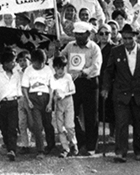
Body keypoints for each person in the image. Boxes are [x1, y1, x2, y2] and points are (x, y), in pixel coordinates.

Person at [101, 24, 140, 163]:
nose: (127, 41)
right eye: (124, 38)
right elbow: (109, 71)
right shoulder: (116, 51)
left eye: (130, 38)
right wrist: (105, 88)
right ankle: (120, 152)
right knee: (121, 123)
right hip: (122, 93)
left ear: (135, 37)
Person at [60, 21, 101, 156]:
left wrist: (85, 71)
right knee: (71, 114)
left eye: (81, 35)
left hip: (89, 83)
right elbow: (61, 58)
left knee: (91, 116)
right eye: (76, 34)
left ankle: (91, 146)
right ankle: (80, 139)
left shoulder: (94, 48)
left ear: (88, 34)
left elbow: (96, 66)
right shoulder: (70, 46)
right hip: (73, 83)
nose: (78, 37)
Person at [21, 48, 55, 158]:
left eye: (42, 63)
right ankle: (40, 150)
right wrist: (28, 101)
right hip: (33, 98)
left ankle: (51, 145)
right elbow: (25, 87)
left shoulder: (48, 70)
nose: (40, 65)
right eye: (37, 63)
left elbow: (51, 87)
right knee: (37, 125)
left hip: (45, 97)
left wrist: (50, 102)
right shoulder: (28, 70)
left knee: (47, 123)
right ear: (33, 61)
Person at [0, 48, 23, 161]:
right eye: (11, 62)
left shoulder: (16, 72)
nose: (14, 64)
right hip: (2, 103)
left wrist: (19, 98)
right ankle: (8, 145)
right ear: (5, 63)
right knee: (3, 127)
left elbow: (18, 85)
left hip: (13, 102)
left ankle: (12, 149)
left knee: (12, 127)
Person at [49, 55, 78, 158]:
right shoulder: (52, 78)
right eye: (57, 68)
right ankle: (65, 148)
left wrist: (64, 94)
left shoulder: (68, 77)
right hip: (58, 104)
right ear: (54, 68)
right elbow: (51, 91)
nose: (60, 71)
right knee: (60, 127)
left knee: (69, 125)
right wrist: (51, 102)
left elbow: (73, 90)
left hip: (68, 101)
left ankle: (73, 143)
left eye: (62, 68)